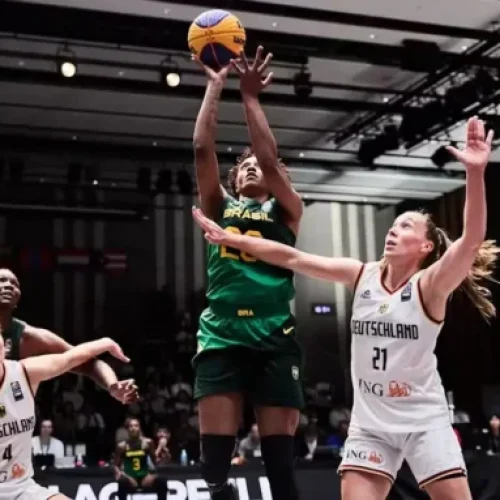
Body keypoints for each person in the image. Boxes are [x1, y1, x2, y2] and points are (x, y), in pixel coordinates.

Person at [193, 116, 497, 500]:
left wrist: (474, 174)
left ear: (425, 248)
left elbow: (471, 240)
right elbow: (292, 257)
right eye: (394, 224)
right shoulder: (361, 275)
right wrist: (231, 237)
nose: (393, 230)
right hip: (370, 425)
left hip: (423, 421)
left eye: (405, 227)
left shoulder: (430, 285)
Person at [192, 45, 304, 500]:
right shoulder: (221, 207)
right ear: (236, 181)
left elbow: (270, 159)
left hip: (275, 335)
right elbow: (202, 148)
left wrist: (251, 99)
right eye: (246, 167)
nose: (255, 167)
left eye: (261, 166)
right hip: (221, 334)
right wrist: (215, 85)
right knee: (214, 466)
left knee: (281, 468)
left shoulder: (289, 210)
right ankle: (222, 493)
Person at [0, 334, 129, 499]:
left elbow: (69, 358)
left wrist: (105, 343)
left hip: (22, 488)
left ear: (5, 346)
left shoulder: (24, 372)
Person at [0, 268, 138, 403]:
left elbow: (88, 364)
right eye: (2, 280)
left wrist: (113, 386)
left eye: (14, 283)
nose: (9, 286)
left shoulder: (30, 337)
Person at [114, 418, 167, 500]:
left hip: (145, 477)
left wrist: (162, 456)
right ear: (127, 429)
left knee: (161, 480)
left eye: (136, 426)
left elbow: (154, 461)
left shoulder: (148, 442)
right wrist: (119, 473)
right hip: (130, 477)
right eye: (130, 426)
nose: (133, 428)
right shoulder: (121, 446)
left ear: (139, 428)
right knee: (122, 482)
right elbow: (116, 465)